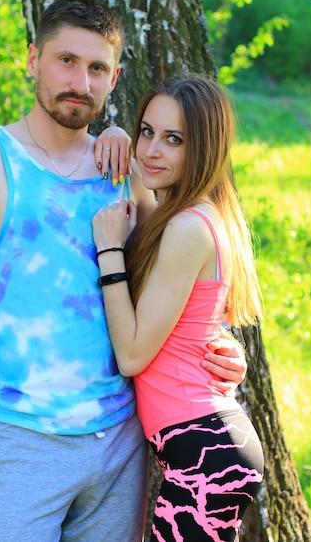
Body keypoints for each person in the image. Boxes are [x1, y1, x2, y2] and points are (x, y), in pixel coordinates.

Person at [0, 0, 247, 542]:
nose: (80, 82)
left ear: (115, 77)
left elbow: (176, 280)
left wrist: (218, 346)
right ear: (32, 59)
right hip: (23, 443)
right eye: (65, 61)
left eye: (97, 68)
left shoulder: (128, 170)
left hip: (121, 444)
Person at [92, 74, 264, 542]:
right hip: (206, 442)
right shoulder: (198, 213)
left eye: (174, 140)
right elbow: (144, 203)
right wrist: (117, 140)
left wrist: (108, 253)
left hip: (204, 448)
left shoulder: (188, 228)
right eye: (147, 131)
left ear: (204, 148)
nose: (152, 150)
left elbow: (131, 355)